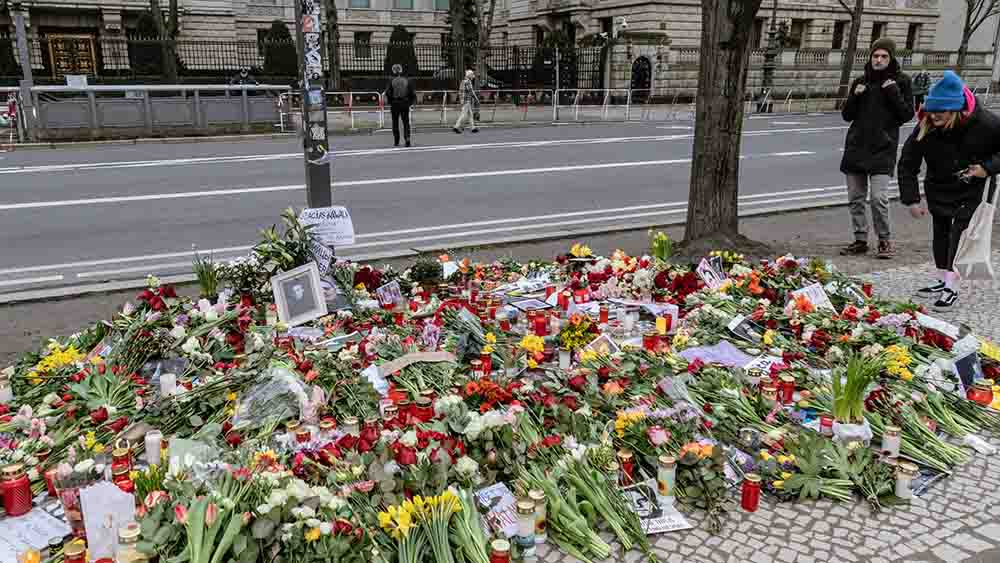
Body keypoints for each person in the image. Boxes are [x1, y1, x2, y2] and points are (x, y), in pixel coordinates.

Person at [898, 70, 1000, 310]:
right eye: (931, 111)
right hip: (939, 185)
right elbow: (908, 162)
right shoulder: (927, 125)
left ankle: (951, 287)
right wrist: (911, 199)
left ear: (955, 109)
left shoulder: (986, 123)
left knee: (959, 233)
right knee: (941, 231)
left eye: (940, 112)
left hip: (973, 186)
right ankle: (942, 278)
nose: (934, 116)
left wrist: (987, 168)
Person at [839, 38, 915, 259]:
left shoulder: (901, 82)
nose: (879, 60)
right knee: (855, 198)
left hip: (883, 149)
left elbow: (906, 115)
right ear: (870, 57)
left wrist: (893, 93)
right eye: (875, 56)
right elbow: (846, 116)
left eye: (884, 56)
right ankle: (860, 239)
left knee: (879, 198)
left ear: (891, 58)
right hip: (856, 147)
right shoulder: (860, 81)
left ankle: (884, 240)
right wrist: (855, 96)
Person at [384, 63, 416, 147]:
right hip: (405, 103)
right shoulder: (407, 80)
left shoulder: (391, 81)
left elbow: (388, 93)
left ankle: (396, 140)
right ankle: (407, 138)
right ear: (401, 71)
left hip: (395, 104)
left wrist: (390, 102)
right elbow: (412, 94)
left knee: (395, 122)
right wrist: (409, 103)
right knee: (406, 122)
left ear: (393, 71)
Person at [453, 69, 480, 134]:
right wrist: (476, 98)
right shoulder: (468, 82)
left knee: (470, 114)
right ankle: (456, 126)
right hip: (467, 100)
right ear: (469, 75)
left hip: (464, 100)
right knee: (463, 114)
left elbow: (460, 92)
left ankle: (473, 128)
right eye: (472, 75)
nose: (473, 76)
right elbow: (471, 91)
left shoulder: (463, 81)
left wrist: (461, 99)